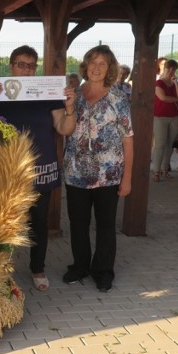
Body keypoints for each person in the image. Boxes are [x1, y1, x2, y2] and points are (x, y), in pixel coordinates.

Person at [0, 45, 76, 292]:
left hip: (41, 167)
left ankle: (37, 268)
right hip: (9, 168)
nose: (26, 70)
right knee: (3, 220)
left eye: (31, 65)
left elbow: (64, 129)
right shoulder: (1, 94)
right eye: (21, 64)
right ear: (11, 65)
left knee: (38, 221)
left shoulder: (48, 93)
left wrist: (69, 108)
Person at [62, 45, 134, 293]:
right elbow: (65, 128)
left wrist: (127, 178)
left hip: (108, 175)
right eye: (92, 62)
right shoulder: (74, 95)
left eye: (102, 63)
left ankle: (103, 271)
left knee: (105, 225)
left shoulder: (118, 99)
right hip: (75, 173)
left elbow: (128, 139)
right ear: (85, 65)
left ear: (110, 68)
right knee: (78, 223)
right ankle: (80, 266)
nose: (96, 67)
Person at [151, 60, 178, 181]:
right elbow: (163, 98)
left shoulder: (176, 83)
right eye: (169, 68)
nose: (171, 71)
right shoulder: (158, 83)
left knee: (170, 145)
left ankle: (165, 169)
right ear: (164, 68)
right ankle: (156, 171)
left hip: (174, 117)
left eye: (174, 69)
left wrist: (176, 83)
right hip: (159, 117)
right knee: (160, 144)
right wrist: (176, 99)